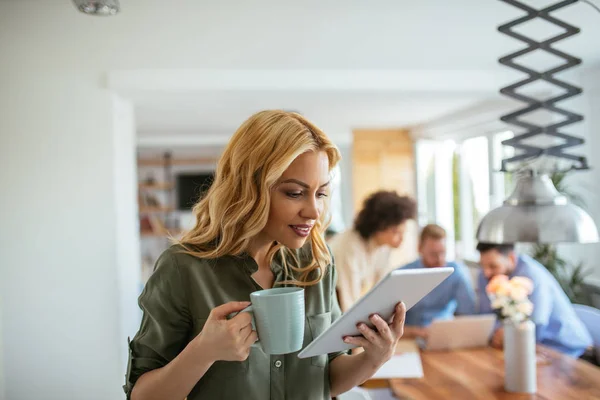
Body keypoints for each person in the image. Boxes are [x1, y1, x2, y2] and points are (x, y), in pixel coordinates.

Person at [123, 110, 407, 400]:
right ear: (249, 188)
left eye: (320, 194)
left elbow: (327, 377)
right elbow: (142, 396)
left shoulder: (317, 263)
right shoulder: (183, 269)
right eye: (295, 193)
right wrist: (203, 352)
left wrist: (374, 357)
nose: (313, 212)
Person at [476, 242, 592, 358]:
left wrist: (506, 334)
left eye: (493, 266)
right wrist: (498, 332)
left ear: (511, 258)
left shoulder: (532, 275)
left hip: (566, 349)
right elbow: (485, 317)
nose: (486, 272)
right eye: (482, 266)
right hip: (530, 349)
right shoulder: (486, 276)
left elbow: (535, 325)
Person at [328, 191, 417, 312]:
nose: (401, 239)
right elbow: (348, 301)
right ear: (379, 226)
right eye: (396, 232)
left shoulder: (383, 248)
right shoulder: (349, 247)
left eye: (403, 232)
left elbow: (381, 290)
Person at [400, 224, 477, 339]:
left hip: (446, 335)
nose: (440, 260)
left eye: (443, 253)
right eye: (433, 254)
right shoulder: (402, 275)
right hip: (410, 337)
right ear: (419, 248)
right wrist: (417, 332)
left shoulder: (456, 272)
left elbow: (469, 314)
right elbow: (388, 323)